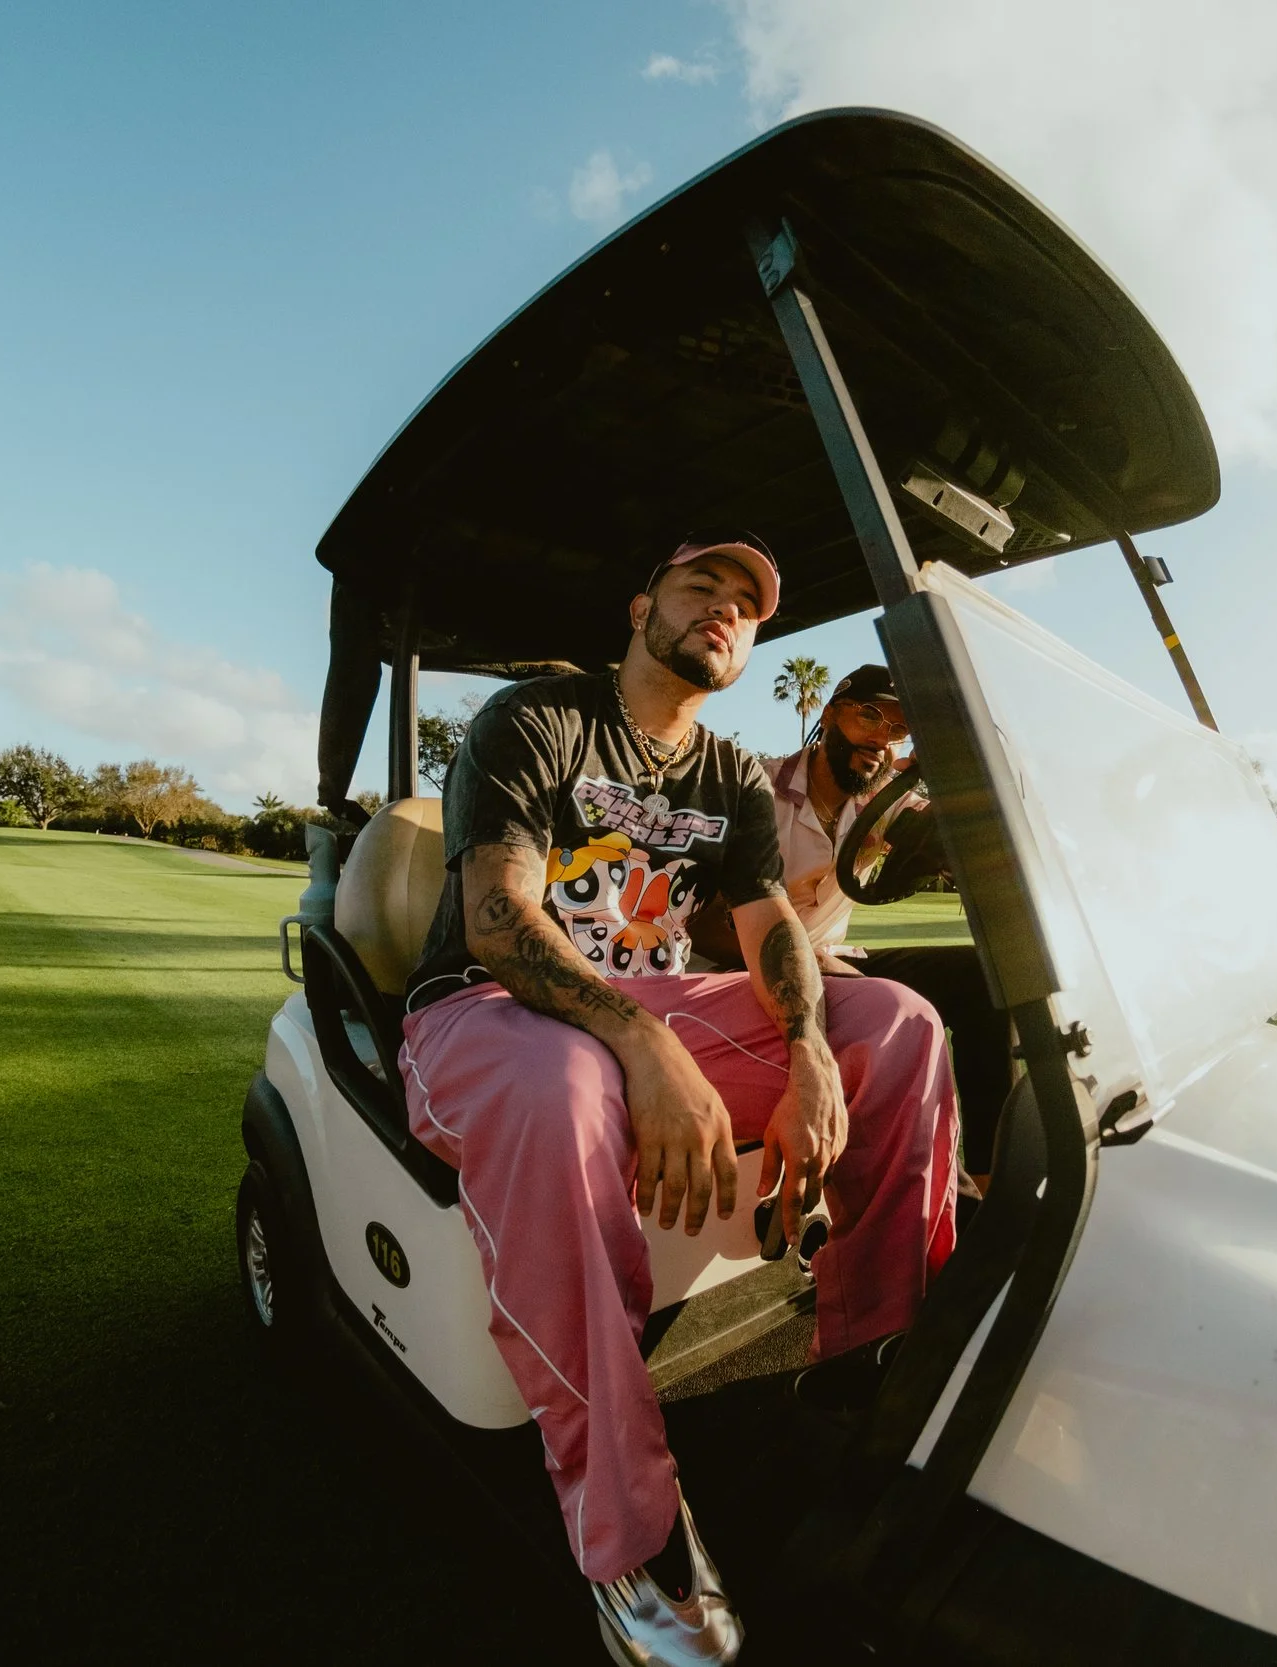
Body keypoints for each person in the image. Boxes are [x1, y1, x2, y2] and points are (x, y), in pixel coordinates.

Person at [394, 536, 958, 1667]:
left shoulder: (731, 775)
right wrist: (640, 1039)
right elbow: (500, 919)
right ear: (644, 603)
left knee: (898, 1022)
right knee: (564, 1087)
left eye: (747, 608)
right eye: (703, 589)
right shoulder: (539, 721)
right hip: (486, 1008)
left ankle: (873, 1369)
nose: (724, 613)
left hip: (648, 1002)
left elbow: (768, 931)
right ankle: (630, 1533)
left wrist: (804, 1047)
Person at [692, 664, 1013, 1191]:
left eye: (896, 730)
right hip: (741, 969)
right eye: (869, 716)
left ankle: (989, 1178)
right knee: (888, 1006)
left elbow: (959, 838)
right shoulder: (757, 788)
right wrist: (809, 961)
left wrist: (963, 795)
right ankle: (936, 1187)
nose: (881, 739)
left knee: (981, 976)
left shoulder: (879, 804)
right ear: (828, 713)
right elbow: (703, 931)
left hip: (836, 966)